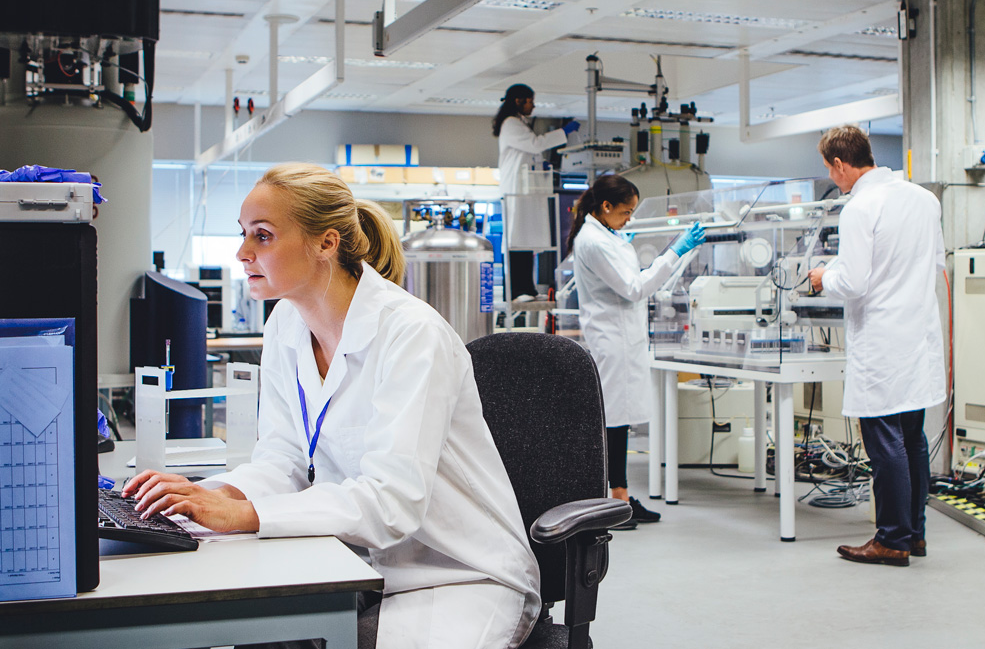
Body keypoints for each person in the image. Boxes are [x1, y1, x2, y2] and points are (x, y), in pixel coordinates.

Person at [122, 163, 541, 648]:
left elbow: (392, 501)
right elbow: (283, 462)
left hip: (458, 573)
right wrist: (210, 497)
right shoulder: (285, 324)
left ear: (326, 243)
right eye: (243, 234)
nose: (242, 253)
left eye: (262, 236)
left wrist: (244, 516)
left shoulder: (411, 335)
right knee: (259, 635)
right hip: (356, 562)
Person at [807, 125, 946, 567]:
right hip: (919, 338)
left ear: (840, 165)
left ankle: (891, 539)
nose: (834, 179)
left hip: (883, 342)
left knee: (885, 443)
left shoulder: (860, 206)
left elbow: (853, 282)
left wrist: (822, 276)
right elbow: (938, 266)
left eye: (832, 171)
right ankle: (915, 533)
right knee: (912, 438)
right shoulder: (924, 199)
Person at [567, 174, 705, 529]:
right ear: (606, 207)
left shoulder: (606, 235)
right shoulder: (593, 242)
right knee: (613, 422)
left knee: (620, 421)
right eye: (625, 212)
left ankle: (621, 497)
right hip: (612, 342)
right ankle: (615, 501)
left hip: (623, 339)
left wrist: (624, 242)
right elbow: (633, 287)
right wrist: (675, 251)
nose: (629, 218)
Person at [493, 83, 580, 302]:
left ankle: (527, 289)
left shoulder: (519, 123)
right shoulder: (511, 123)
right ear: (518, 101)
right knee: (517, 241)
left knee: (526, 242)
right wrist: (563, 132)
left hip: (527, 191)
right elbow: (535, 144)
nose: (533, 105)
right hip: (517, 191)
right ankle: (516, 291)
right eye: (530, 101)